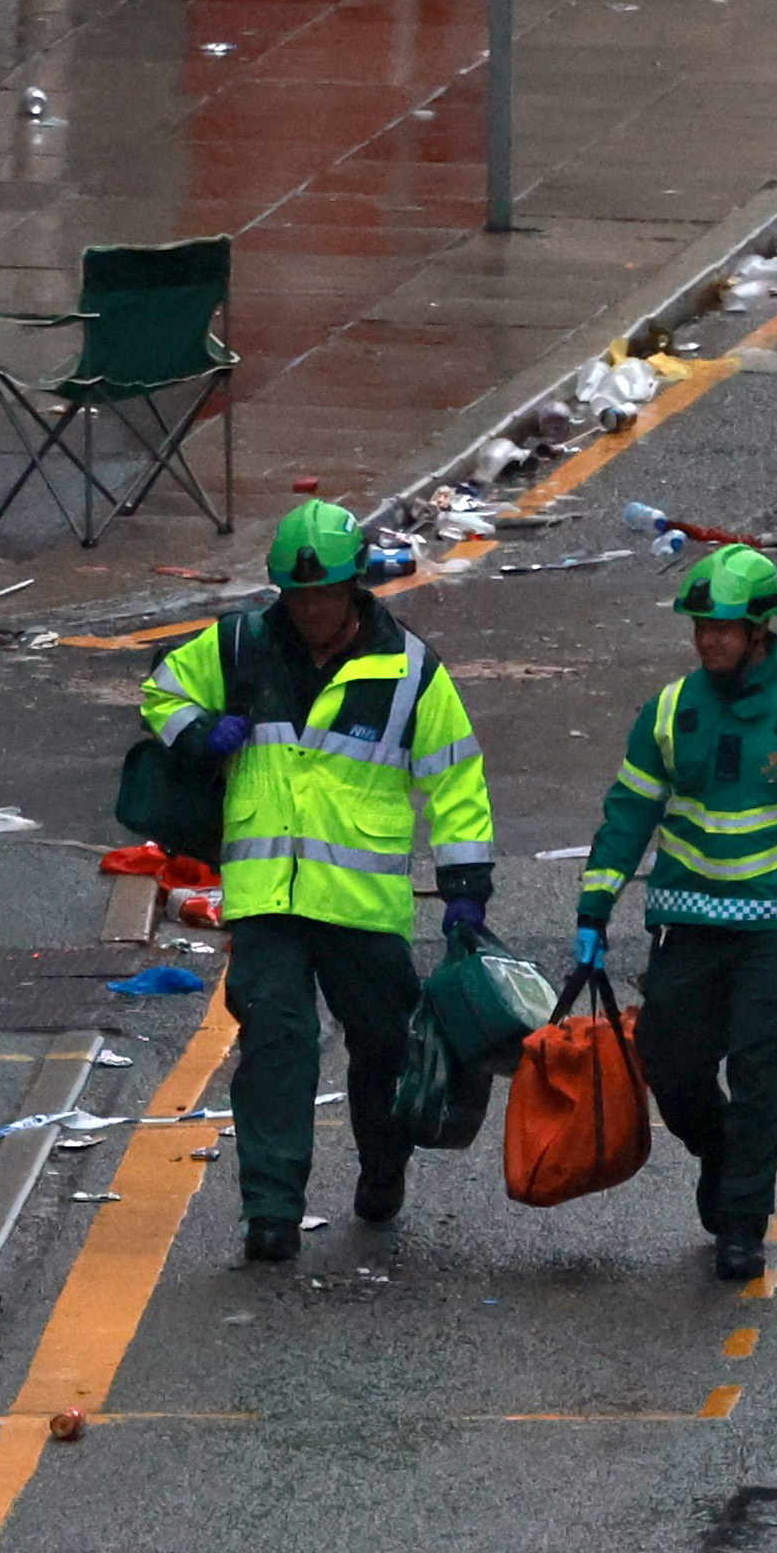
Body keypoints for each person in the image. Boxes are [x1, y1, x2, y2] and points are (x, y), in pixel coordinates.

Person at [140, 499, 498, 1261]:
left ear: (353, 588)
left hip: (360, 907)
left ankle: (381, 1171)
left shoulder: (408, 672)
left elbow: (456, 777)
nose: (309, 610)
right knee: (278, 1041)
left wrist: (465, 883)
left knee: (383, 1046)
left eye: (323, 595)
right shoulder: (240, 647)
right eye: (296, 597)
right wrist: (201, 732)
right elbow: (162, 691)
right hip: (267, 894)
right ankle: (270, 1210)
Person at [576, 547, 777, 1288]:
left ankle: (741, 1223)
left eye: (722, 628)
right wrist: (593, 906)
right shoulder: (670, 711)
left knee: (760, 1070)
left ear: (760, 629)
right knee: (669, 1066)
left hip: (774, 930)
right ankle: (721, 1153)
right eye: (700, 626)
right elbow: (628, 812)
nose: (706, 640)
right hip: (686, 925)